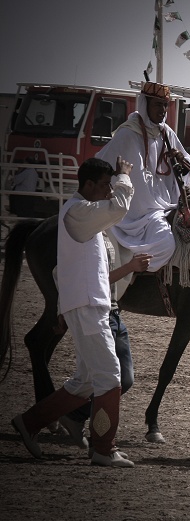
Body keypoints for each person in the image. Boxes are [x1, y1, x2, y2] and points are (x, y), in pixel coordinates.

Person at [11, 156, 136, 467]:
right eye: (105, 185)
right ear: (89, 185)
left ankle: (29, 422)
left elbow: (62, 269)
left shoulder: (79, 212)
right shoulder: (80, 212)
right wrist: (124, 176)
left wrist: (62, 307)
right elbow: (119, 207)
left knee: (86, 380)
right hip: (88, 306)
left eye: (110, 185)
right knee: (109, 376)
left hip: (86, 305)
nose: (109, 191)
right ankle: (103, 448)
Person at [57, 248, 152, 451]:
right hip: (98, 315)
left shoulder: (103, 237)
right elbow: (89, 281)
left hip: (113, 312)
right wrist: (131, 267)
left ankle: (75, 420)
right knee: (105, 379)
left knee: (117, 379)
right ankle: (101, 445)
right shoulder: (87, 240)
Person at [97, 81, 190, 271]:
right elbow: (101, 164)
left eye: (165, 105)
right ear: (144, 104)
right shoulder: (127, 133)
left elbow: (187, 164)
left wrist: (181, 160)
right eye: (157, 104)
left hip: (162, 206)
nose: (162, 110)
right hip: (133, 211)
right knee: (166, 245)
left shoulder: (166, 133)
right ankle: (131, 271)